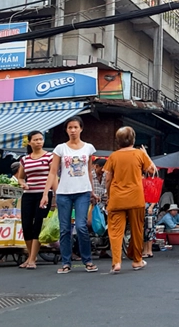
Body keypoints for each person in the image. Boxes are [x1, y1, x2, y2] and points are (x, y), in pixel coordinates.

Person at [40, 116, 98, 274]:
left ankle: (87, 260)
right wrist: (46, 194)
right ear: (66, 130)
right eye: (69, 128)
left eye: (75, 127)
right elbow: (53, 172)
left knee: (81, 227)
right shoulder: (60, 149)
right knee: (64, 229)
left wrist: (92, 191)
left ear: (81, 129)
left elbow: (89, 171)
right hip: (64, 193)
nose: (72, 130)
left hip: (83, 192)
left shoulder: (88, 148)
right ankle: (66, 262)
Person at [104, 126, 156, 273]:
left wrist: (109, 195)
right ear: (133, 139)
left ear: (117, 141)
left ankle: (116, 262)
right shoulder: (139, 154)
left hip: (117, 198)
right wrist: (146, 154)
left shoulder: (113, 156)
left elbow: (108, 178)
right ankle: (137, 260)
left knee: (115, 232)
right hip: (136, 197)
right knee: (137, 229)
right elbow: (152, 170)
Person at [16, 130, 54, 270]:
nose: (39, 142)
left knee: (38, 224)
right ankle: (31, 255)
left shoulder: (49, 157)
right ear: (30, 142)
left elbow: (53, 175)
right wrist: (22, 183)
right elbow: (20, 177)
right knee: (26, 225)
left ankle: (32, 259)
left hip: (44, 194)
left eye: (41, 139)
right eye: (36, 139)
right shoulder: (25, 159)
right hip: (28, 195)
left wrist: (50, 194)